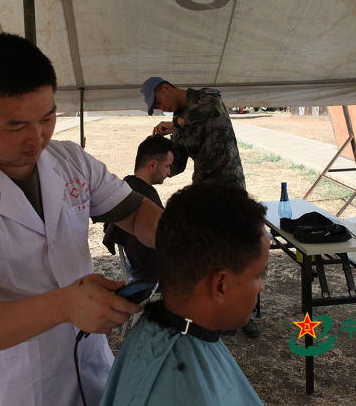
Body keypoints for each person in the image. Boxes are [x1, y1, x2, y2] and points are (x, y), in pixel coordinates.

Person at [0, 33, 163, 406]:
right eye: (16, 126)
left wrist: (183, 238)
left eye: (47, 117)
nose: (37, 138)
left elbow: (137, 214)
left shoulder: (71, 161)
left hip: (91, 371)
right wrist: (64, 306)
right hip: (13, 389)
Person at [99, 183, 269, 406]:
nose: (261, 287)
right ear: (220, 286)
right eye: (258, 275)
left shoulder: (161, 337)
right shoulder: (181, 392)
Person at [139, 77, 261, 338]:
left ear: (167, 88)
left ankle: (246, 313)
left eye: (159, 101)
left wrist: (175, 125)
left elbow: (210, 109)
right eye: (157, 107)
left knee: (240, 247)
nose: (161, 108)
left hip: (230, 184)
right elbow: (178, 163)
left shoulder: (205, 97)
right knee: (210, 248)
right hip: (205, 190)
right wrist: (158, 157)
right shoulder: (179, 125)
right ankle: (216, 308)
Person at [102, 135, 175, 281]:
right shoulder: (143, 197)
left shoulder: (126, 188)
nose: (169, 173)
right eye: (167, 166)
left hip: (138, 271)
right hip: (154, 277)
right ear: (152, 164)